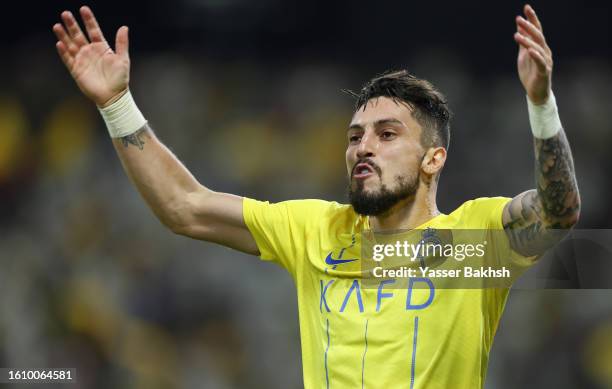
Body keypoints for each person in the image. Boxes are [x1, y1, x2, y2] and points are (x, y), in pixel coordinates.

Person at [52, 4, 580, 388]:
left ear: (433, 159)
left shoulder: (472, 242)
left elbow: (559, 213)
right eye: (355, 137)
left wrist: (541, 104)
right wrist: (118, 104)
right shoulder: (316, 230)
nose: (362, 148)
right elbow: (183, 206)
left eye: (387, 134)